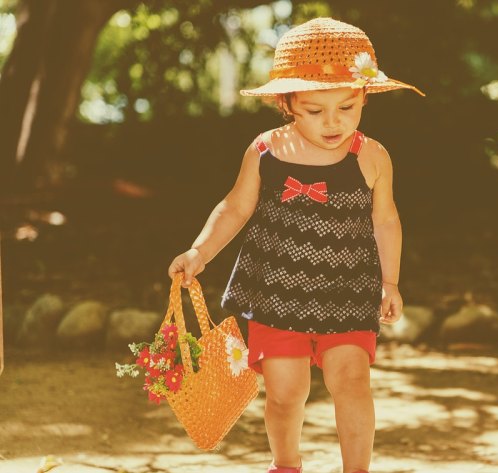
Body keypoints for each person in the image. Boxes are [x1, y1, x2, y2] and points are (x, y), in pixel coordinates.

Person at [167, 17, 424, 473]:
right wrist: (199, 251)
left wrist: (390, 281)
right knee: (285, 394)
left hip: (347, 290)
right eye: (314, 110)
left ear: (364, 96)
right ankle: (286, 464)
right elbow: (234, 208)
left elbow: (386, 220)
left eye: (346, 107)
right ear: (287, 103)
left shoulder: (373, 156)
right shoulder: (265, 151)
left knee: (352, 382)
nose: (333, 122)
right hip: (276, 293)